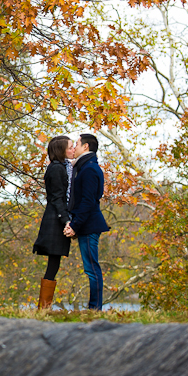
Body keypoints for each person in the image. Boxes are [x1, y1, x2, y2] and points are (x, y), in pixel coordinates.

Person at [64, 133, 110, 311]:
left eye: (76, 144)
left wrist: (75, 225)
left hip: (89, 225)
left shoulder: (89, 169)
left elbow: (88, 201)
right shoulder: (84, 167)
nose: (74, 147)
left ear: (86, 147)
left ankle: (95, 308)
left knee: (92, 268)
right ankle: (94, 308)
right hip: (86, 224)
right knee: (90, 267)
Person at [33, 136, 75, 309]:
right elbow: (57, 198)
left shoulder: (62, 167)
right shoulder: (57, 169)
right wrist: (66, 221)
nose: (73, 149)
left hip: (57, 216)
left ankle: (44, 306)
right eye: (71, 147)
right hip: (56, 218)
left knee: (54, 261)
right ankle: (44, 306)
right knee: (54, 261)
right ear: (62, 150)